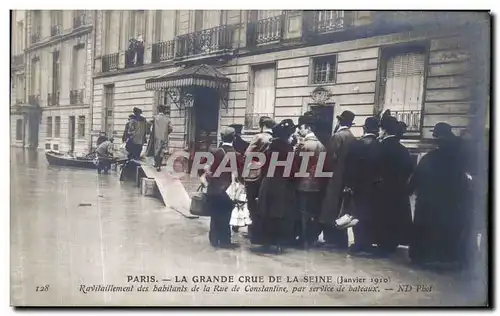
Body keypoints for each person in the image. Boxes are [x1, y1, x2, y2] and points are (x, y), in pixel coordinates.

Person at [408, 122, 471, 267]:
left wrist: (409, 190)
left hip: (429, 201)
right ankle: (447, 256)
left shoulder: (430, 158)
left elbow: (416, 179)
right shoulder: (460, 158)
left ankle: (425, 256)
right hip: (452, 201)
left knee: (427, 227)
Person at [254, 119, 298, 253]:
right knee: (279, 214)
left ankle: (266, 242)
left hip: (268, 183)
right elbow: (292, 170)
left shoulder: (270, 147)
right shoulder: (289, 149)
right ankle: (278, 242)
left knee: (266, 212)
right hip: (282, 185)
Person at [373, 115, 413, 256]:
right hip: (399, 189)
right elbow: (410, 168)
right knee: (395, 217)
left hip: (382, 189)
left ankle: (382, 244)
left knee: (383, 217)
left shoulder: (380, 147)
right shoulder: (403, 149)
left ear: (383, 130)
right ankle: (392, 243)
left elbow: (374, 168)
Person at [343, 117, 382, 255]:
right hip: (375, 188)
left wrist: (349, 185)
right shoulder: (380, 146)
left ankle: (358, 243)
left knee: (357, 215)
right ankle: (368, 243)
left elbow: (349, 167)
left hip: (358, 187)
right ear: (377, 130)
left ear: (364, 129)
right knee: (370, 215)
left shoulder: (357, 145)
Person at [319, 110, 357, 250]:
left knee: (331, 208)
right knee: (342, 208)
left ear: (339, 121)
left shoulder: (337, 136)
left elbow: (329, 158)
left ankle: (332, 239)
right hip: (346, 178)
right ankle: (341, 239)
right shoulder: (353, 138)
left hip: (335, 177)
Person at [204, 127, 241, 249]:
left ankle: (214, 239)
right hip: (228, 190)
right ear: (234, 138)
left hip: (213, 189)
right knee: (226, 215)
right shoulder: (236, 155)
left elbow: (204, 168)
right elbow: (240, 174)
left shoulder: (214, 152)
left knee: (214, 214)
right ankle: (225, 240)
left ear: (221, 137)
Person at [294, 114, 327, 249]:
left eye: (301, 128)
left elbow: (296, 164)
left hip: (303, 184)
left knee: (303, 212)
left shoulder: (303, 145)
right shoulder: (321, 145)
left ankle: (304, 239)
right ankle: (312, 237)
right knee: (313, 212)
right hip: (317, 184)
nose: (299, 131)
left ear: (307, 128)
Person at [243, 116, 275, 244]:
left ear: (262, 125)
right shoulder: (274, 138)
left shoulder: (259, 137)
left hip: (255, 173)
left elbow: (247, 153)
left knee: (252, 203)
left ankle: (253, 231)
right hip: (268, 173)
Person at [147, 105, 173, 171]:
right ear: (164, 110)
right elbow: (171, 128)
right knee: (162, 152)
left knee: (156, 151)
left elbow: (149, 123)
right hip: (164, 137)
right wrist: (166, 133)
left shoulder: (155, 117)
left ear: (158, 110)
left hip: (156, 137)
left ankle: (156, 164)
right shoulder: (167, 118)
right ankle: (159, 165)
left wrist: (150, 131)